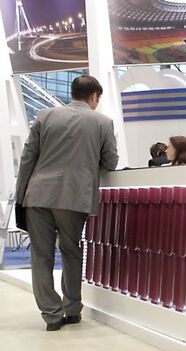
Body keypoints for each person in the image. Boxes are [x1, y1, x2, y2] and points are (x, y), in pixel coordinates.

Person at [15, 75, 118, 331]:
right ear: (94, 96)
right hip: (74, 197)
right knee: (71, 252)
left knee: (41, 256)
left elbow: (27, 159)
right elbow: (111, 161)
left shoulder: (44, 116)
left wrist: (21, 196)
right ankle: (72, 310)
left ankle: (51, 315)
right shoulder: (102, 122)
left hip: (38, 195)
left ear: (73, 93)